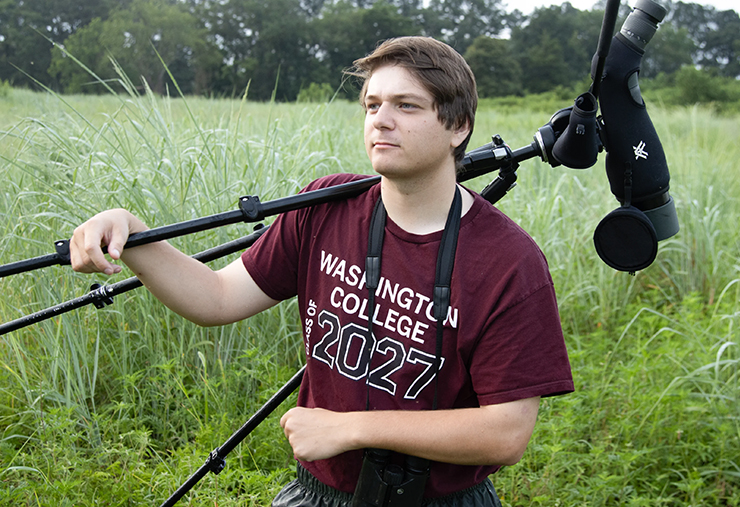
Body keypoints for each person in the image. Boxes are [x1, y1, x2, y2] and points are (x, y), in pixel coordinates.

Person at [70, 36, 574, 506]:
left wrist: (353, 429)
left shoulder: (509, 260)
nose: (381, 120)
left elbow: (506, 433)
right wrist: (134, 235)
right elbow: (218, 298)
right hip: (320, 492)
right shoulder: (326, 206)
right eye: (372, 105)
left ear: (458, 127)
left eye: (407, 105)